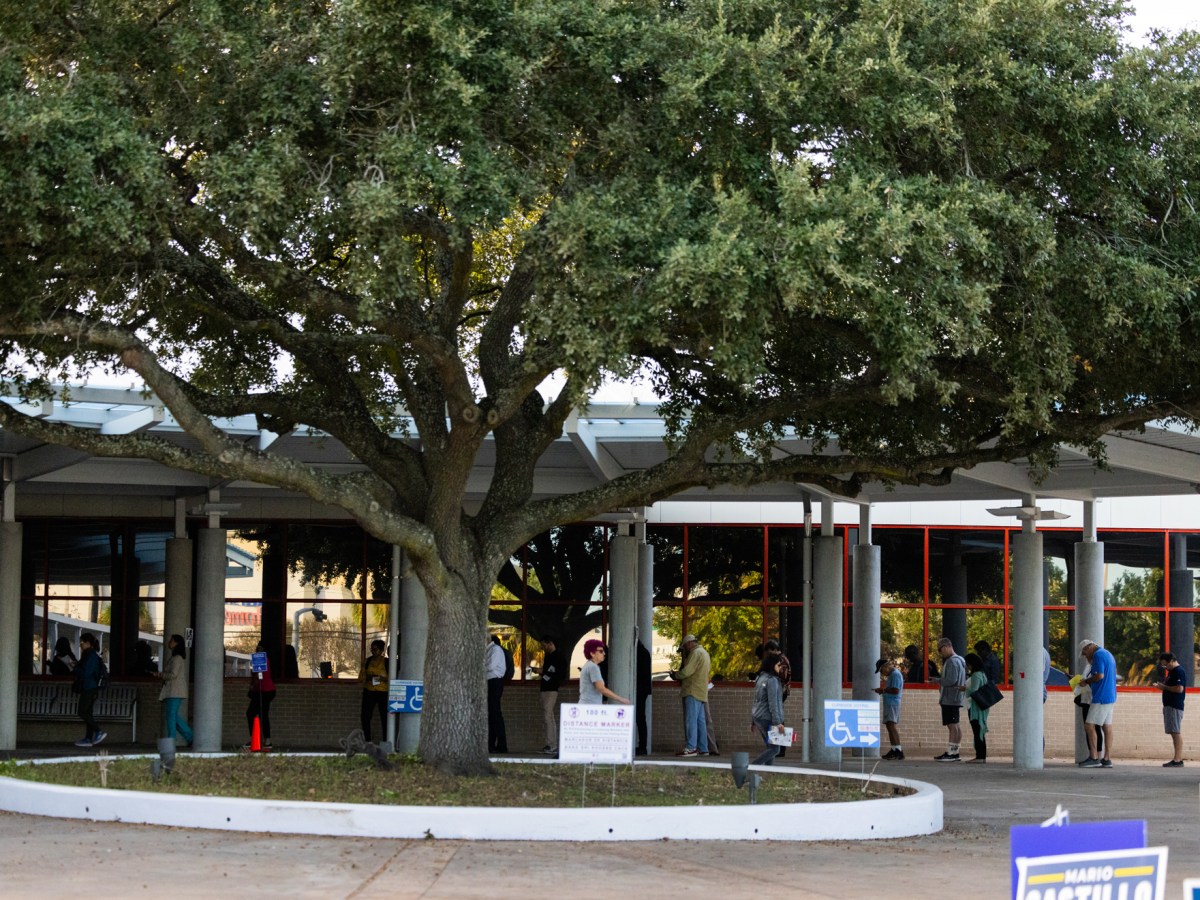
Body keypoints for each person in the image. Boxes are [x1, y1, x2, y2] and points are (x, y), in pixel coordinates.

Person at [1078, 639, 1116, 768]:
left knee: (1089, 725)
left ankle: (1094, 757)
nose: (1085, 657)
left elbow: (1099, 676)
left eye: (1084, 653)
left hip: (1100, 696)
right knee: (1107, 726)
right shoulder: (1107, 653)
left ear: (1089, 648)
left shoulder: (1098, 655)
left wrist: (1086, 682)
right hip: (1110, 696)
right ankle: (1107, 758)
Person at [672, 633, 710, 757]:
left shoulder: (695, 653)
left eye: (685, 647)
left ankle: (691, 747)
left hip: (692, 691)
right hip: (701, 691)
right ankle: (703, 748)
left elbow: (687, 671)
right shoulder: (704, 653)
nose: (685, 650)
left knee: (691, 721)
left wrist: (676, 675)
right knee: (700, 721)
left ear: (689, 643)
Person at [750, 654, 787, 766]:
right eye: (779, 665)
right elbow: (773, 703)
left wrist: (752, 721)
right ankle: (752, 767)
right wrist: (778, 722)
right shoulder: (772, 680)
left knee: (770, 747)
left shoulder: (760, 678)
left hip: (758, 717)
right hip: (768, 718)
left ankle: (767, 771)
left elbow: (756, 700)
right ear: (772, 665)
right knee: (775, 749)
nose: (780, 667)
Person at [934, 637, 966, 761]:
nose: (940, 653)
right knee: (956, 725)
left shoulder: (952, 661)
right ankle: (955, 751)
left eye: (940, 650)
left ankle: (951, 753)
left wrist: (937, 680)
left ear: (947, 646)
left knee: (952, 725)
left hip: (949, 698)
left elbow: (951, 680)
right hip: (956, 697)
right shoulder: (961, 660)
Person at [158, 633, 193, 747]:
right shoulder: (176, 657)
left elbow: (173, 674)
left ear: (177, 643)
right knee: (173, 716)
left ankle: (171, 740)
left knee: (171, 716)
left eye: (172, 640)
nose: (170, 642)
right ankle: (190, 737)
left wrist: (161, 675)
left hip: (175, 691)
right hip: (173, 691)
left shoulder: (177, 658)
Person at [73, 633, 106, 748]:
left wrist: (74, 667)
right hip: (90, 687)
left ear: (88, 643)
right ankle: (88, 738)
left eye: (82, 643)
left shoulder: (90, 656)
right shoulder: (90, 655)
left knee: (82, 711)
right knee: (88, 713)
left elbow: (86, 672)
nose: (80, 645)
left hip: (89, 687)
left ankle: (98, 731)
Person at [1154, 652, 1186, 767]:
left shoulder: (1178, 671)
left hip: (1174, 706)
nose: (1165, 667)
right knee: (1173, 731)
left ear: (1172, 661)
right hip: (1169, 705)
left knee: (1175, 732)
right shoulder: (1172, 672)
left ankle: (1177, 759)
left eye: (1166, 665)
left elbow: (1179, 689)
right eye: (1163, 666)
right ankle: (1177, 758)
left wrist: (1164, 687)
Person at [245, 640, 276, 750]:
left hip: (265, 691)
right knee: (258, 714)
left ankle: (264, 740)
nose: (258, 649)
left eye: (260, 648)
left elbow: (259, 675)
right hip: (263, 691)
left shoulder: (263, 660)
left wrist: (252, 687)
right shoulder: (261, 659)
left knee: (256, 714)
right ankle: (263, 739)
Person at [578, 639, 629, 705]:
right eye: (601, 651)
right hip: (590, 707)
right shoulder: (593, 667)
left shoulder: (589, 665)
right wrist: (621, 699)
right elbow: (601, 689)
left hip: (588, 706)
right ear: (592, 653)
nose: (604, 653)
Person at [538, 635, 567, 754]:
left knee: (548, 715)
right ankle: (550, 743)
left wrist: (543, 672)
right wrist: (542, 672)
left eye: (544, 645)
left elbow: (560, 675)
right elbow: (547, 672)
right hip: (544, 688)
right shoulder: (548, 656)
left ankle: (552, 744)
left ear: (550, 644)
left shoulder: (559, 657)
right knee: (548, 716)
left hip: (552, 689)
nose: (543, 648)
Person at [359, 639, 389, 744]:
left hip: (383, 692)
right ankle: (368, 740)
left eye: (375, 649)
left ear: (381, 650)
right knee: (365, 716)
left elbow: (392, 678)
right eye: (371, 649)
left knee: (385, 717)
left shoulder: (386, 662)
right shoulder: (367, 661)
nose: (373, 651)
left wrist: (381, 678)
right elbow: (361, 676)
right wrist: (369, 677)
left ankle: (386, 740)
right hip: (369, 691)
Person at [874, 657, 904, 760]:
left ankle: (898, 750)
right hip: (889, 703)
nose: (882, 673)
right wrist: (883, 691)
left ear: (886, 666)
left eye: (881, 670)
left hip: (892, 703)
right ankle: (894, 749)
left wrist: (884, 690)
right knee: (889, 726)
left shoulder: (895, 674)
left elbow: (895, 690)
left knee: (892, 726)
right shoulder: (892, 675)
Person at [964, 652, 990, 763]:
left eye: (968, 664)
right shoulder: (983, 674)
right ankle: (982, 756)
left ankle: (979, 756)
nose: (967, 666)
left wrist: (964, 689)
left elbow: (974, 691)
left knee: (977, 731)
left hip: (976, 708)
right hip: (982, 707)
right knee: (980, 731)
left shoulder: (976, 675)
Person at [485, 634, 508, 753]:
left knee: (495, 714)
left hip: (495, 682)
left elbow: (491, 666)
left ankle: (501, 745)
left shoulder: (495, 650)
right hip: (491, 682)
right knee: (492, 714)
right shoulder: (489, 650)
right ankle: (491, 744)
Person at [635, 640, 652, 756]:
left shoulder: (638, 653)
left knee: (640, 718)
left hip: (639, 689)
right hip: (643, 690)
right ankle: (642, 746)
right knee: (641, 719)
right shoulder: (644, 652)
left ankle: (642, 747)